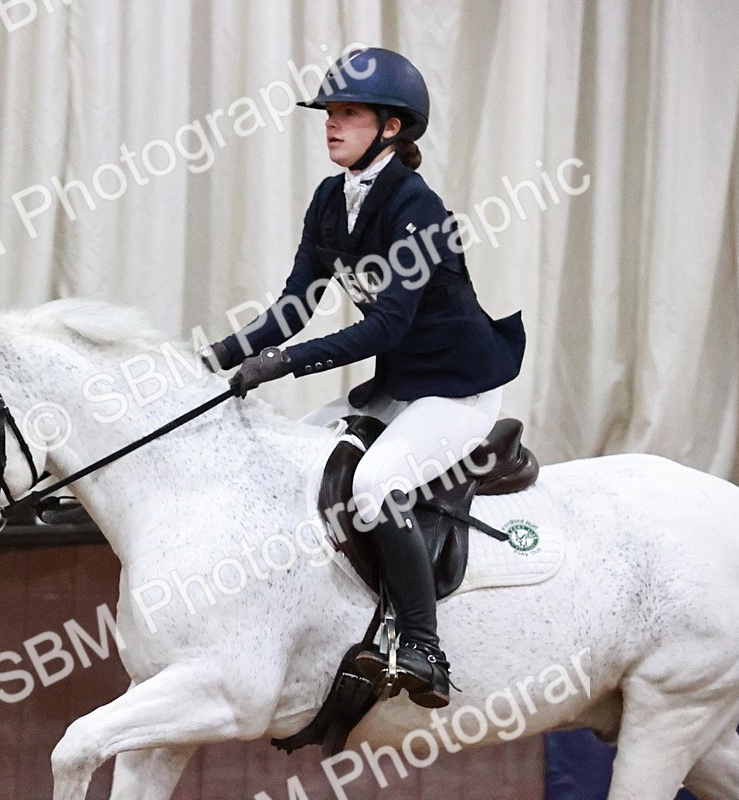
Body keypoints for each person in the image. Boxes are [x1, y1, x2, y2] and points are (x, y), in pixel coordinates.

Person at [200, 48, 525, 708]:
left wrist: (284, 363)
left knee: (376, 486)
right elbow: (294, 306)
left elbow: (385, 329)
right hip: (400, 384)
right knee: (294, 459)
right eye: (329, 112)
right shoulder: (331, 199)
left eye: (348, 113)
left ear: (392, 128)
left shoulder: (418, 208)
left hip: (457, 389)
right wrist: (212, 358)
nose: (331, 123)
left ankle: (425, 646)